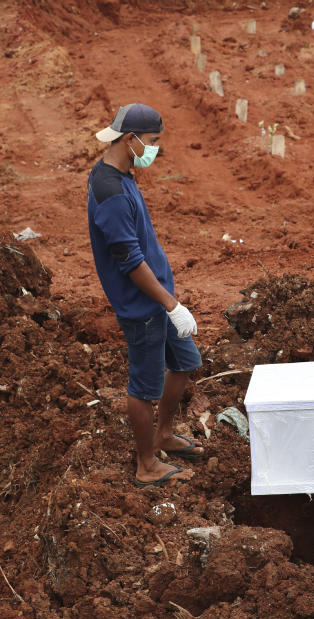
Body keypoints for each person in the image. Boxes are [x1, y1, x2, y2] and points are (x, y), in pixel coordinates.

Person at [87, 103, 205, 488]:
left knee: (185, 362)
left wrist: (169, 300)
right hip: (143, 306)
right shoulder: (110, 194)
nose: (154, 150)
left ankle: (164, 434)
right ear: (130, 139)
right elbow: (130, 261)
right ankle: (146, 464)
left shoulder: (121, 175)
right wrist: (171, 305)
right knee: (143, 389)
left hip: (158, 298)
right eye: (152, 142)